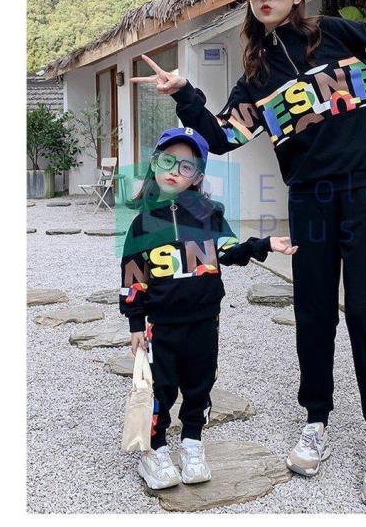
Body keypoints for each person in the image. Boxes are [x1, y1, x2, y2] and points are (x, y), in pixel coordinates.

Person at [130, 0, 366, 508]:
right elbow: (222, 137)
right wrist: (183, 94)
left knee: (365, 313)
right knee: (313, 313)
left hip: (364, 191)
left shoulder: (339, 33)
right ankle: (316, 420)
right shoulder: (256, 75)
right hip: (309, 198)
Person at [119, 126, 298, 490]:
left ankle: (192, 443)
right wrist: (136, 322)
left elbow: (229, 250)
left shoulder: (209, 215)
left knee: (200, 385)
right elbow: (133, 275)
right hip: (162, 326)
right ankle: (154, 449)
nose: (174, 171)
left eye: (186, 166)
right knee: (161, 388)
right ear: (154, 164)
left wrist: (264, 244)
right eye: (168, 161)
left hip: (204, 321)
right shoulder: (141, 225)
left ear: (197, 176)